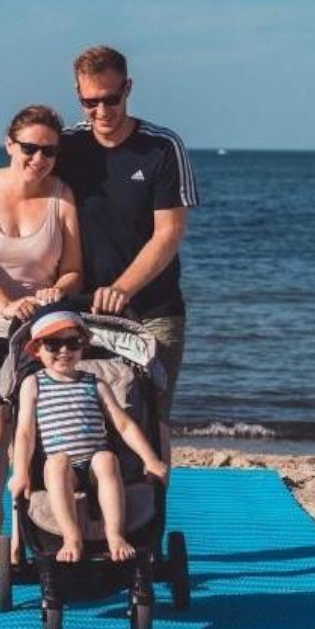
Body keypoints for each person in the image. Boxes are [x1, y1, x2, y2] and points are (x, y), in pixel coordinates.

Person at [55, 46, 199, 457]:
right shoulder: (66, 147)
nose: (101, 111)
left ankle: (151, 521)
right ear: (78, 95)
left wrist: (123, 287)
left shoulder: (162, 147)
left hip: (154, 311)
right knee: (84, 421)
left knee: (151, 423)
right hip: (81, 311)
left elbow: (169, 233)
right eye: (89, 102)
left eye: (111, 99)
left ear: (128, 89)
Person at [0, 105, 82, 564]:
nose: (38, 158)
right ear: (10, 144)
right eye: (29, 148)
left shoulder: (62, 196)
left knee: (28, 436)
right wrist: (6, 304)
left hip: (44, 333)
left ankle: (22, 517)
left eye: (49, 150)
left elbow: (73, 270)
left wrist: (57, 291)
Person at [9, 310, 168, 564]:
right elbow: (25, 432)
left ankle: (114, 535)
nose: (64, 350)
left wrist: (150, 459)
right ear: (37, 349)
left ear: (83, 346)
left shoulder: (95, 383)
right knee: (57, 463)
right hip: (63, 469)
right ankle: (72, 537)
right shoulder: (34, 383)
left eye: (73, 343)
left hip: (95, 466)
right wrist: (20, 472)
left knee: (106, 458)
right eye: (53, 344)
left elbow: (123, 424)